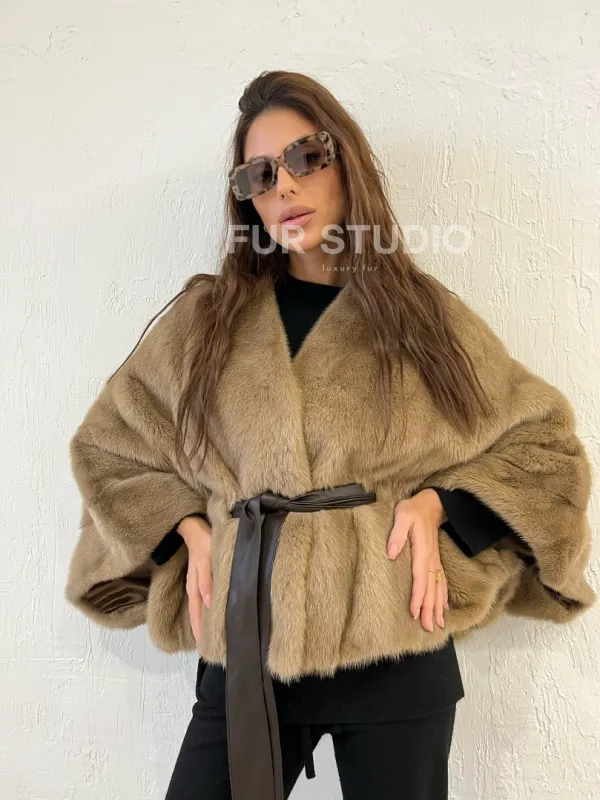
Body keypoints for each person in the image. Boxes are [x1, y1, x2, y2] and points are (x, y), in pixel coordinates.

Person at [65, 71, 595, 800]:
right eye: (258, 174)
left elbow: (543, 448)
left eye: (306, 157)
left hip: (397, 644)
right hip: (246, 645)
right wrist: (185, 526)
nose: (284, 185)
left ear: (347, 162)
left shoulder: (424, 320)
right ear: (246, 199)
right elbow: (109, 449)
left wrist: (441, 505)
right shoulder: (204, 325)